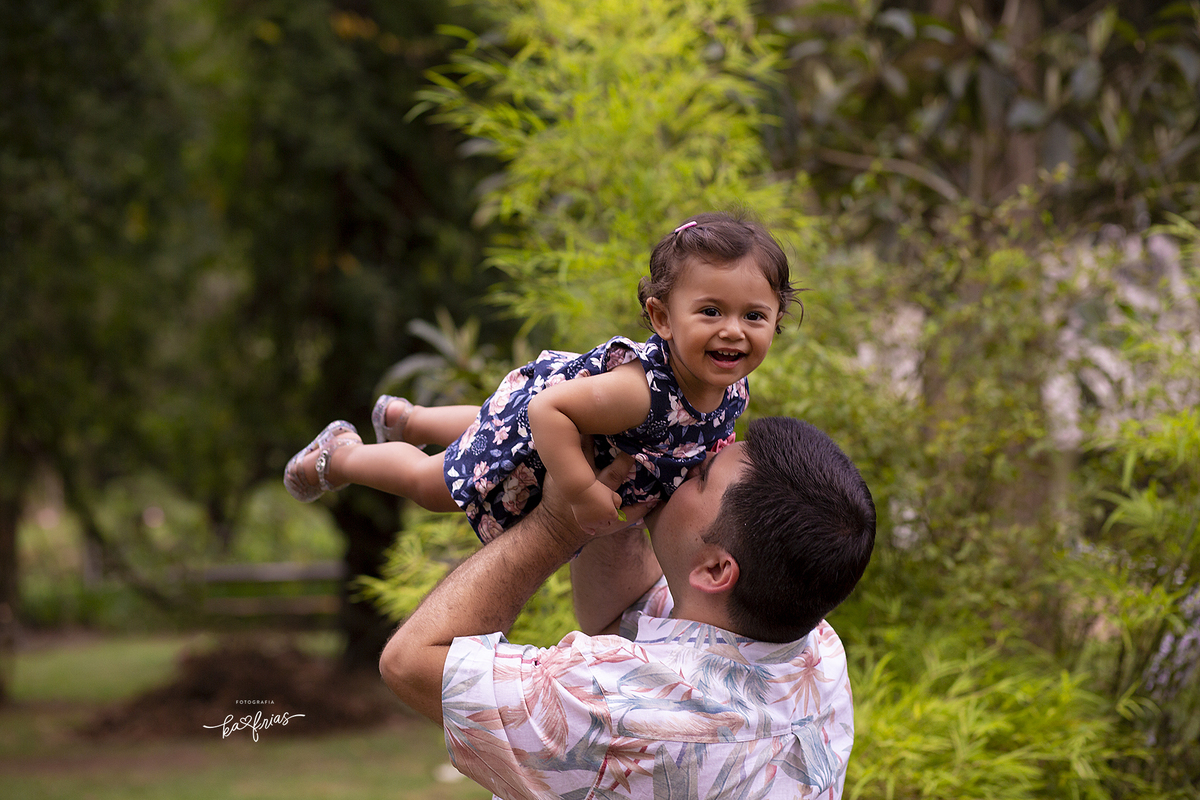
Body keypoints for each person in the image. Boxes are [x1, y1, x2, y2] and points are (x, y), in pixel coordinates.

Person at [379, 416, 877, 799]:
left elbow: (410, 662)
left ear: (715, 570)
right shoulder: (815, 652)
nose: (689, 464)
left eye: (702, 476)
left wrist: (556, 527)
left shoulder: (613, 709)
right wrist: (613, 482)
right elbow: (618, 615)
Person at [283, 211, 797, 541]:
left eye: (754, 316)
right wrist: (580, 491)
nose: (733, 331)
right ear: (662, 318)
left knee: (492, 426)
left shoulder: (732, 386)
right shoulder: (639, 394)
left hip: (551, 422)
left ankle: (411, 420)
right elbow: (543, 411)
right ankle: (343, 455)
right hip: (548, 427)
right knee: (432, 485)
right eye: (710, 311)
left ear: (776, 320)